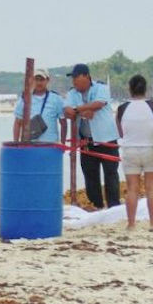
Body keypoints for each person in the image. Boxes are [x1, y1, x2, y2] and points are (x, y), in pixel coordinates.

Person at [63, 63, 120, 209]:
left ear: (86, 76)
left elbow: (98, 104)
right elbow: (68, 112)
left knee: (111, 174)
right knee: (90, 175)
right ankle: (97, 206)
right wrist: (82, 111)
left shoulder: (101, 88)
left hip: (106, 139)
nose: (74, 81)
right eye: (73, 78)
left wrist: (77, 109)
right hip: (86, 141)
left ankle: (114, 206)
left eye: (76, 77)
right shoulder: (72, 93)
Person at [116, 75, 153, 231]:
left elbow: (121, 132)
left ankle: (131, 223)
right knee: (152, 188)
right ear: (146, 88)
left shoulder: (122, 109)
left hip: (130, 150)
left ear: (130, 89)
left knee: (132, 188)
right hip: (151, 149)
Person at [13, 68, 66, 144]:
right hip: (30, 145)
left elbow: (63, 123)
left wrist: (63, 143)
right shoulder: (25, 98)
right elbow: (17, 122)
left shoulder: (56, 99)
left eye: (42, 80)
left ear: (47, 80)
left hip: (50, 145)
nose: (39, 82)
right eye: (36, 79)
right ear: (32, 81)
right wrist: (16, 144)